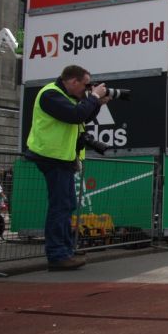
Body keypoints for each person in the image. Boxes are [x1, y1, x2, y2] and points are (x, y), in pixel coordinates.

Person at [24, 65, 112, 271]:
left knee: (66, 204)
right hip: (52, 157)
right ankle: (58, 255)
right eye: (85, 85)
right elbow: (75, 115)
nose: (87, 89)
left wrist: (97, 103)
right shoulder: (50, 94)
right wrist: (94, 97)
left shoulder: (66, 97)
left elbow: (82, 117)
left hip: (62, 158)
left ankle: (66, 250)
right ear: (73, 81)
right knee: (60, 206)